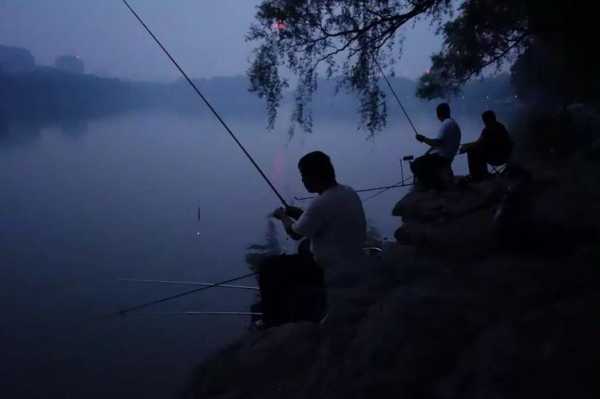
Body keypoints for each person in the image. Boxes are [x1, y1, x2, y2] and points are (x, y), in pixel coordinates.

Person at [259, 151, 367, 327]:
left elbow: (294, 233)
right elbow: (323, 218)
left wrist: (283, 217)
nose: (302, 180)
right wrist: (300, 214)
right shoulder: (348, 192)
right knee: (304, 247)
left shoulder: (320, 203)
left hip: (331, 268)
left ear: (315, 176)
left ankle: (271, 320)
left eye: (304, 176)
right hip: (354, 257)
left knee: (269, 268)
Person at [411, 103, 462, 190]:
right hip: (449, 156)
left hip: (443, 158)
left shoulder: (446, 124)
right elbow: (442, 143)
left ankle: (430, 185)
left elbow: (438, 142)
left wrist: (423, 139)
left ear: (438, 114)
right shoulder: (453, 123)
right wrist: (428, 152)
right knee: (425, 159)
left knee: (416, 164)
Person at [460, 110, 513, 181]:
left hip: (497, 157)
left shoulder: (489, 129)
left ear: (490, 119)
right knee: (476, 150)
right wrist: (467, 145)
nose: (484, 122)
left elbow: (478, 143)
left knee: (472, 151)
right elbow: (480, 142)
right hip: (505, 156)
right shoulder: (500, 127)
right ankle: (481, 174)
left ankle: (477, 176)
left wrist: (466, 147)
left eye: (485, 120)